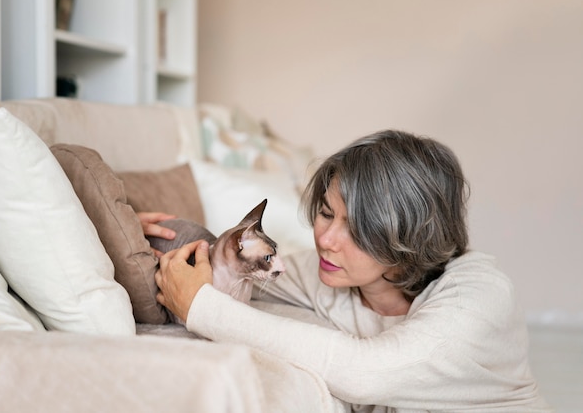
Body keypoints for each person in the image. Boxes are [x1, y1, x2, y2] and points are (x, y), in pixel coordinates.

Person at [141, 130, 551, 412]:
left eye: (357, 228)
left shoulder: (481, 296)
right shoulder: (332, 277)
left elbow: (365, 373)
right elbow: (231, 266)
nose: (327, 239)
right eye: (324, 213)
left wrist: (203, 308)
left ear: (408, 237)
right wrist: (138, 237)